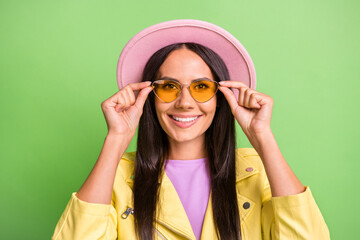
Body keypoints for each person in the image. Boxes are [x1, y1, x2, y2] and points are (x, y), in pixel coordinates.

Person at [52, 20, 330, 240]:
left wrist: (263, 138)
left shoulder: (258, 171)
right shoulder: (116, 175)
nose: (185, 103)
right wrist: (116, 139)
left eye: (201, 87)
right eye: (169, 86)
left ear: (222, 96)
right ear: (150, 95)